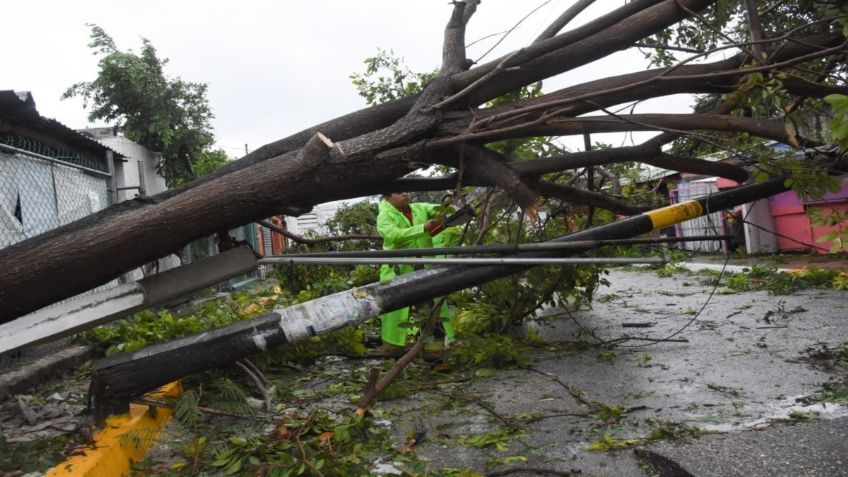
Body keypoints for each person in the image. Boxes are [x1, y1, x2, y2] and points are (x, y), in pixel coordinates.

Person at [376, 192, 460, 356]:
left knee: (430, 312)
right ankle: (391, 357)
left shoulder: (419, 208)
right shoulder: (384, 216)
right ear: (387, 197)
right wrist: (423, 228)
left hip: (424, 272)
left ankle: (435, 358)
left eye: (407, 191)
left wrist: (446, 209)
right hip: (398, 274)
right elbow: (393, 235)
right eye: (400, 192)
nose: (406, 194)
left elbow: (436, 209)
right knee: (395, 314)